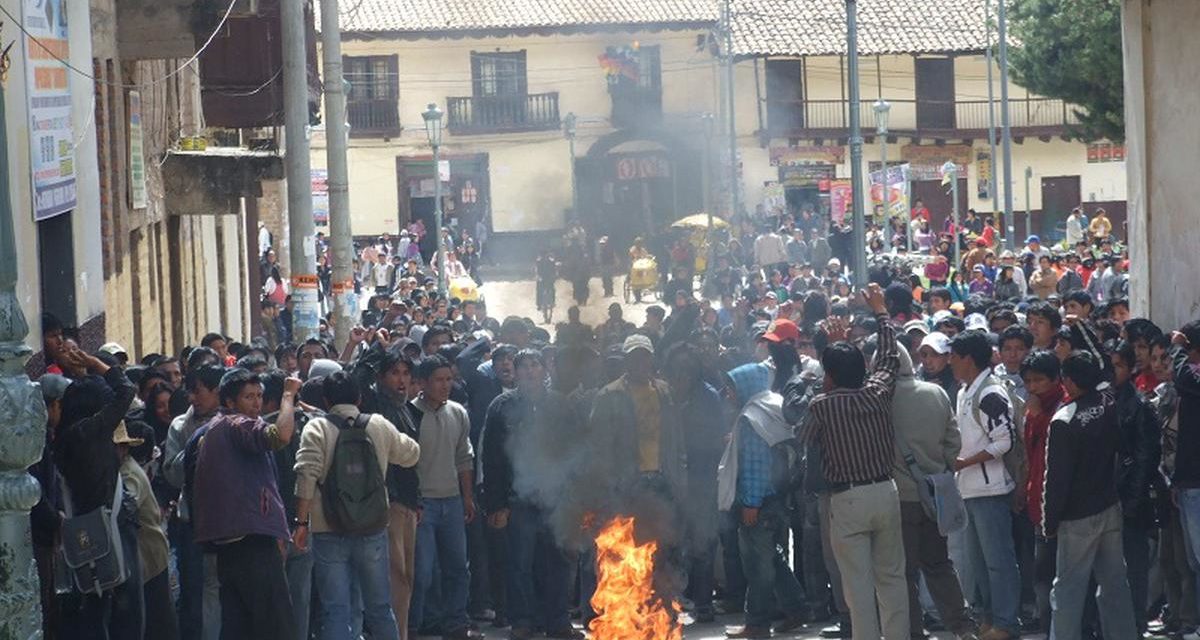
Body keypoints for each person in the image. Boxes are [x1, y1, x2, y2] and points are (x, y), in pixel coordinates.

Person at [796, 283, 909, 640]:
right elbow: (889, 358)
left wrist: (831, 352)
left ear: (827, 375)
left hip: (847, 500)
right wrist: (881, 313)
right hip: (885, 491)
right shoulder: (877, 393)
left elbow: (803, 436)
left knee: (857, 586)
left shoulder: (822, 405)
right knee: (891, 579)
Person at [293, 371, 421, 640]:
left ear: (326, 400)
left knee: (335, 610)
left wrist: (302, 523)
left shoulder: (316, 428)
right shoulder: (378, 425)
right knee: (379, 607)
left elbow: (306, 476)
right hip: (372, 527)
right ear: (360, 397)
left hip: (329, 528)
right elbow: (411, 454)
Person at [191, 369, 301, 640]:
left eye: (259, 396)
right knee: (275, 626)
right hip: (251, 542)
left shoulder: (215, 429)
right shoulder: (237, 424)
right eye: (248, 397)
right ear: (229, 402)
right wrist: (288, 395)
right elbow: (281, 435)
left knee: (239, 626)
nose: (256, 404)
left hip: (230, 544)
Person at [480, 350, 583, 640]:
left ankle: (558, 622)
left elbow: (576, 453)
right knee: (519, 564)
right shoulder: (500, 407)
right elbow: (492, 459)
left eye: (535, 364)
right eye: (523, 365)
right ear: (515, 371)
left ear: (545, 368)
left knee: (559, 562)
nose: (529, 371)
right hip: (518, 500)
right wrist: (496, 504)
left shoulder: (561, 406)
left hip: (556, 499)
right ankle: (522, 622)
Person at [1043, 351, 1137, 640]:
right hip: (1109, 507)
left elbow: (1056, 479)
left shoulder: (1064, 420)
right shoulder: (1108, 401)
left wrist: (1049, 522)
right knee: (1114, 584)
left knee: (1068, 590)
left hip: (1076, 517)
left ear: (1068, 382)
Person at [887, 343, 975, 639]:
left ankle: (913, 633)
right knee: (939, 565)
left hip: (898, 499)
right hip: (934, 495)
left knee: (904, 574)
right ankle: (963, 628)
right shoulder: (935, 393)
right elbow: (954, 441)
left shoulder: (879, 399)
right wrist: (941, 472)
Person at [54, 353, 142, 639]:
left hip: (86, 529)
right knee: (127, 613)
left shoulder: (64, 439)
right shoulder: (89, 431)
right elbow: (126, 391)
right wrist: (97, 364)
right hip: (112, 522)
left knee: (94, 604)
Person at [719, 362, 808, 639]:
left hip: (758, 503)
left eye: (732, 387)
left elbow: (756, 465)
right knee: (774, 559)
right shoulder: (774, 405)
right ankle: (796, 608)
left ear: (744, 387)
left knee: (757, 566)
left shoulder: (752, 417)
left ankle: (757, 623)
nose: (728, 393)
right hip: (779, 498)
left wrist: (751, 504)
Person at [948, 330, 1021, 640]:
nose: (950, 362)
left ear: (968, 359)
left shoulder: (991, 393)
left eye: (954, 356)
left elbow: (1005, 441)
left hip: (990, 491)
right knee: (979, 565)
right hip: (969, 489)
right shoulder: (966, 392)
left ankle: (1005, 623)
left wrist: (966, 462)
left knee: (999, 562)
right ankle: (989, 620)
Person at [408, 355, 480, 639]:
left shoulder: (458, 413)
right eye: (438, 380)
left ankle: (456, 623)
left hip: (452, 502)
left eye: (449, 379)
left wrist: (467, 497)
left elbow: (464, 458)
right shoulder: (410, 414)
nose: (445, 385)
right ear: (423, 383)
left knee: (458, 568)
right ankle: (414, 625)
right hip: (423, 504)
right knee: (422, 572)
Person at [1110, 341, 1161, 633]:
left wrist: (1131, 501)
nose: (1113, 371)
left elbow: (1145, 458)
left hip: (1131, 501)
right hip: (1104, 500)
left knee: (1135, 569)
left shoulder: (1139, 406)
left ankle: (1135, 626)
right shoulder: (1103, 402)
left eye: (1118, 365)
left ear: (1130, 368)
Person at [116, 420, 180, 640]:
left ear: (123, 448)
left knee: (157, 623)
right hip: (147, 556)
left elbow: (126, 506)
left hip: (149, 557)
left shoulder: (128, 474)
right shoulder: (123, 470)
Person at [1019, 351, 1067, 633]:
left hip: (1058, 502)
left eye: (1039, 380)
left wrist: (1037, 417)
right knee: (1042, 573)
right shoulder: (1033, 406)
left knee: (1056, 573)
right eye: (1028, 381)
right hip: (1037, 496)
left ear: (1056, 379)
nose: (1033, 386)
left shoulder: (1063, 403)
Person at [535, 250, 557, 325]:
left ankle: (553, 302)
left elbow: (554, 271)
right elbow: (537, 272)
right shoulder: (539, 262)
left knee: (552, 290)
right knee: (539, 291)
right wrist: (539, 277)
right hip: (542, 280)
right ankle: (539, 304)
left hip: (549, 279)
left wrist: (553, 277)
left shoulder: (551, 262)